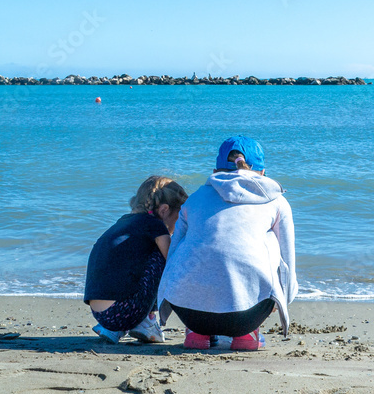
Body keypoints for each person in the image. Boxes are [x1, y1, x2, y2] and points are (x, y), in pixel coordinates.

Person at [157, 136, 296, 351]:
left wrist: (164, 302)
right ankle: (247, 335)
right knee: (268, 240)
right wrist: (282, 300)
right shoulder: (276, 201)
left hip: (188, 312)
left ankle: (197, 335)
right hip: (245, 316)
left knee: (192, 242)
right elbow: (287, 261)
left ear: (216, 171)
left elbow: (173, 253)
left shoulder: (194, 198)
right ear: (262, 172)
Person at [84, 176, 188, 344]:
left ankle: (114, 329)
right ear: (164, 210)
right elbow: (172, 261)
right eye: (179, 216)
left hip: (100, 313)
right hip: (123, 312)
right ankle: (147, 321)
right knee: (165, 256)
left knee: (135, 259)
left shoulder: (123, 223)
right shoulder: (155, 225)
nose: (179, 223)